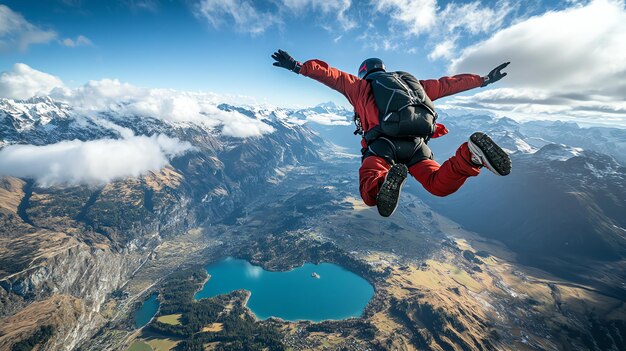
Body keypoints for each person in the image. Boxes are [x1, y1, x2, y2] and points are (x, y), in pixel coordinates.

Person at [272, 49, 511, 217]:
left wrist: (298, 67)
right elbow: (448, 84)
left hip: (383, 145)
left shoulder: (361, 86)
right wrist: (484, 80)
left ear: (364, 72)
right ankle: (470, 155)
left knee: (370, 193)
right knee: (438, 185)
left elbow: (331, 75)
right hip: (418, 146)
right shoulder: (414, 85)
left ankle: (384, 182)